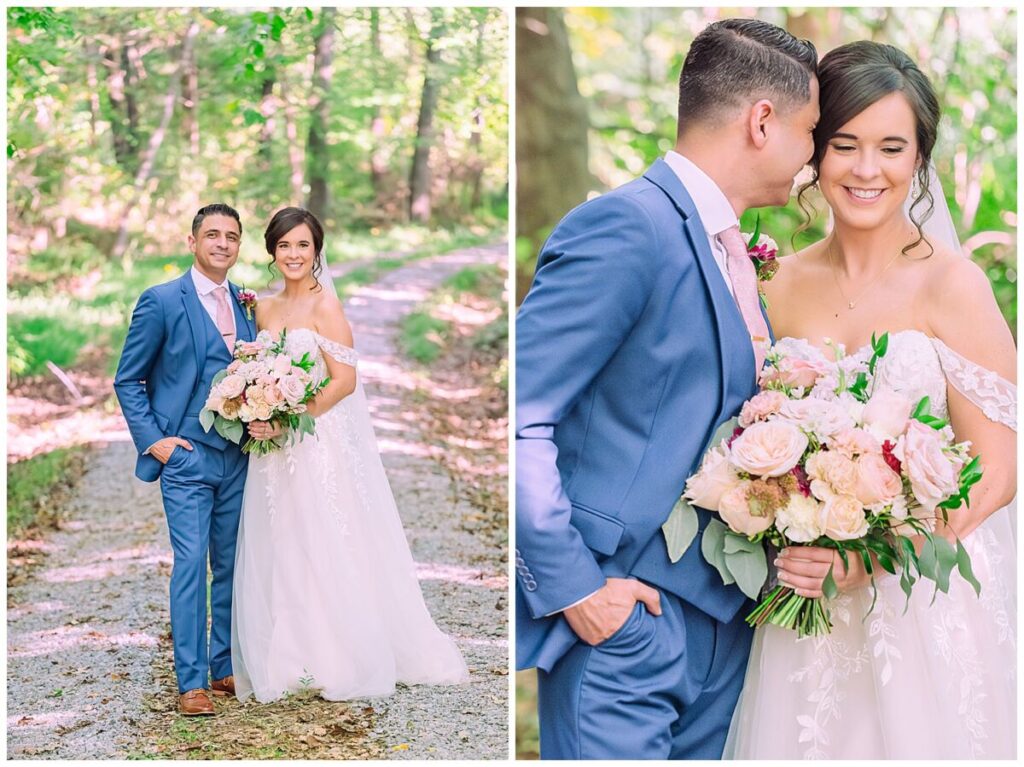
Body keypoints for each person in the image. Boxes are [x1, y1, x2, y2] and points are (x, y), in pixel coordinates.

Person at [515, 19, 819, 759]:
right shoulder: (626, 226)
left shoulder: (734, 249)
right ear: (762, 121)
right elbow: (520, 417)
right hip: (626, 626)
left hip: (727, 631)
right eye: (812, 133)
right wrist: (579, 591)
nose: (813, 159)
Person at [725, 41, 1016, 759]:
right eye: (844, 144)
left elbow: (1001, 471)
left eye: (891, 147)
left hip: (927, 601)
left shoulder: (953, 286)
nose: (865, 169)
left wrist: (874, 558)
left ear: (919, 159)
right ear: (814, 153)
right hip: (803, 612)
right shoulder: (773, 284)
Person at [230, 207, 469, 702]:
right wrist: (256, 405)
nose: (294, 255)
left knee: (324, 533)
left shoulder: (325, 307)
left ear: (317, 250)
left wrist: (288, 417)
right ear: (272, 252)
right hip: (270, 450)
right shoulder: (264, 309)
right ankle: (293, 653)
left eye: (303, 245)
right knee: (282, 537)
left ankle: (340, 651)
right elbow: (255, 368)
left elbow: (344, 381)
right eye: (284, 246)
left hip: (313, 440)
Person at [115, 203, 257, 716]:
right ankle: (191, 682)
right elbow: (127, 379)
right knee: (192, 564)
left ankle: (222, 668)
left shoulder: (246, 304)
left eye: (232, 237)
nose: (223, 243)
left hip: (239, 456)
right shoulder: (161, 301)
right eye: (213, 235)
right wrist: (156, 441)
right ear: (192, 241)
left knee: (232, 564)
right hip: (186, 459)